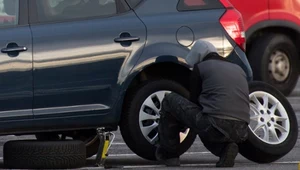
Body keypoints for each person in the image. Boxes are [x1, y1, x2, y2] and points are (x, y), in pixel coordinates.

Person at [156, 40, 250, 167]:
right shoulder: (238, 69)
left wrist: (179, 123)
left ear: (198, 55)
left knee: (170, 100)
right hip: (242, 130)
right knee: (207, 125)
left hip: (215, 124)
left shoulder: (200, 67)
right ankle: (225, 150)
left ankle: (170, 155)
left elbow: (194, 103)